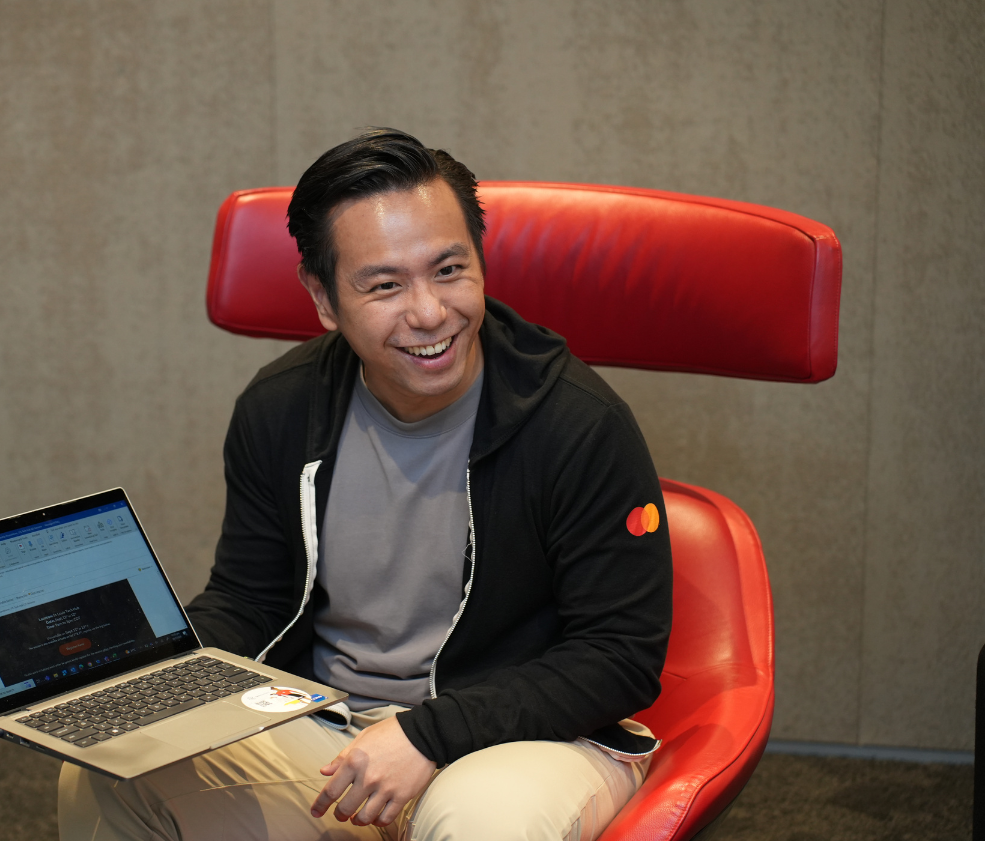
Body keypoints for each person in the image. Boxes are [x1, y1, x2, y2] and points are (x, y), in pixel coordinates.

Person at [59, 128, 673, 841]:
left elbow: (618, 655)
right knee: (110, 769)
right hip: (327, 731)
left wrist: (429, 734)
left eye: (449, 269)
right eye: (384, 285)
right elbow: (250, 598)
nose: (429, 312)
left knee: (478, 823)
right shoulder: (281, 406)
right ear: (323, 299)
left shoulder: (577, 423)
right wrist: (151, 674)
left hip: (523, 735)